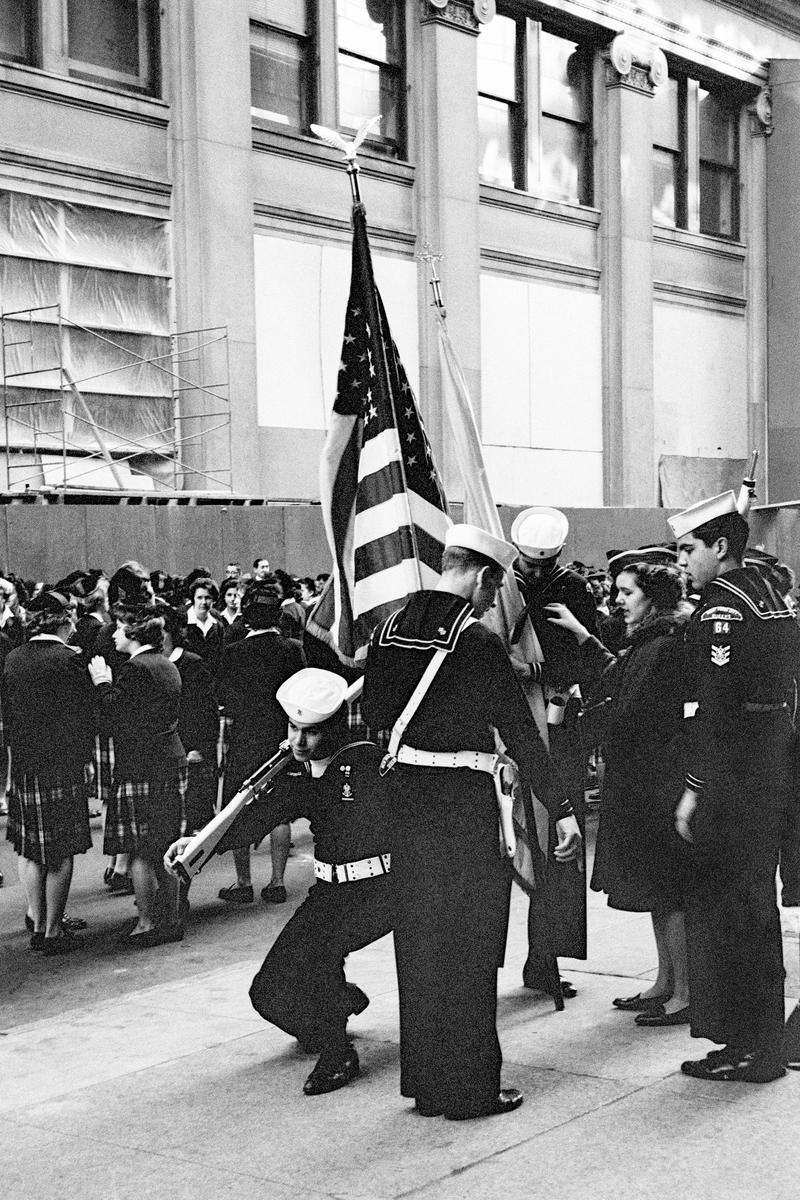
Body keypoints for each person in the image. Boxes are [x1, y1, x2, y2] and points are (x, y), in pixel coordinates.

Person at [362, 523, 581, 1120]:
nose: (493, 600)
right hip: (462, 807)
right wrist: (559, 808)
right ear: (483, 575)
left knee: (420, 949)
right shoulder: (474, 640)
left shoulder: (385, 630)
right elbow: (520, 732)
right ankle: (470, 1088)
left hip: (406, 805)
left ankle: (426, 1083)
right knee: (471, 950)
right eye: (494, 587)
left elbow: (377, 716)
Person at [166, 667, 394, 1096]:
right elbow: (254, 821)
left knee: (318, 956)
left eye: (310, 732)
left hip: (380, 891)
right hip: (330, 892)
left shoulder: (368, 764)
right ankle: (336, 1009)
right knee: (267, 994)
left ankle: (338, 1050)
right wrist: (197, 842)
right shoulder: (296, 771)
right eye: (293, 728)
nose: (297, 741)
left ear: (337, 725)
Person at [670, 491, 800, 1083]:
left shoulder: (723, 608)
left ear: (721, 547)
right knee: (750, 908)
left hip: (735, 773)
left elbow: (713, 707)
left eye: (688, 549)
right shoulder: (773, 592)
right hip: (770, 759)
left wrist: (694, 786)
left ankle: (752, 1046)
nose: (681, 562)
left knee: (731, 911)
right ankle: (750, 1040)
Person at [548, 557, 693, 1026]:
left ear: (652, 598)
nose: (618, 602)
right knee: (655, 887)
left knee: (669, 890)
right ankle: (665, 982)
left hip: (654, 781)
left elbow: (629, 711)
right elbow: (616, 683)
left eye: (627, 593)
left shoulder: (665, 646)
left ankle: (684, 992)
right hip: (639, 779)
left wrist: (585, 724)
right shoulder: (648, 643)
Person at [509, 506, 596, 995]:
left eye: (545, 565)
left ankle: (545, 958)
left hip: (560, 731)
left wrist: (538, 675)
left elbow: (590, 656)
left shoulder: (575, 590)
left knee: (561, 848)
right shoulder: (500, 588)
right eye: (528, 564)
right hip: (504, 730)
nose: (536, 573)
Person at [2, 589, 95, 955]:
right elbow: (85, 717)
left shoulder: (13, 659)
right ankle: (54, 931)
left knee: (28, 850)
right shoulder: (71, 660)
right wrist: (85, 759)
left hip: (25, 765)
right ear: (63, 620)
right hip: (62, 765)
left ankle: (38, 922)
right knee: (60, 853)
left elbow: (8, 715)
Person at [89, 602, 187, 947]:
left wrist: (103, 684)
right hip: (170, 760)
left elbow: (120, 718)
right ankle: (172, 920)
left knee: (141, 851)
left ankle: (146, 923)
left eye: (118, 627)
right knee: (167, 848)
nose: (114, 633)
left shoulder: (133, 669)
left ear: (132, 632)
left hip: (140, 765)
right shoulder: (167, 664)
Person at [215, 578, 305, 904]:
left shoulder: (233, 653)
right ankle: (277, 881)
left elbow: (223, 697)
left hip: (244, 738)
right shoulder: (294, 650)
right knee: (279, 812)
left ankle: (243, 883)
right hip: (282, 738)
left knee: (238, 808)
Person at [162, 606, 219, 834]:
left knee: (194, 813)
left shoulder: (192, 663)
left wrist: (199, 747)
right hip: (166, 747)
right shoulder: (152, 662)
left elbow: (205, 710)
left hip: (189, 745)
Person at [182, 576, 225, 673]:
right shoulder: (182, 622)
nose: (203, 602)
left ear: (213, 599)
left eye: (208, 598)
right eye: (199, 597)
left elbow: (220, 657)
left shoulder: (218, 626)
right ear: (193, 598)